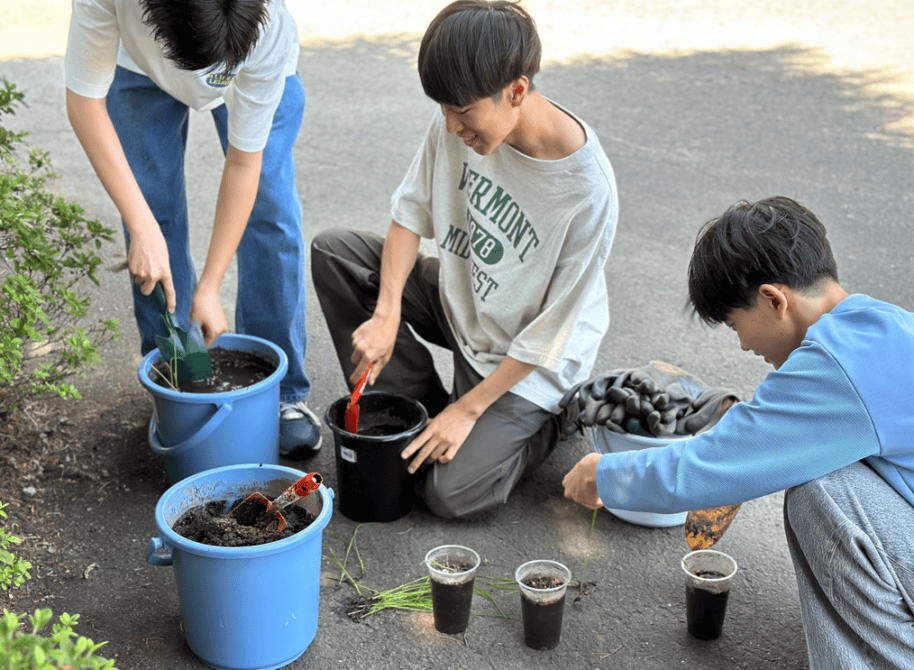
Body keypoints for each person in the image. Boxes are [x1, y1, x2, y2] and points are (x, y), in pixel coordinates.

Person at [562, 196, 914, 669]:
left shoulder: (842, 362)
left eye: (735, 323)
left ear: (773, 299)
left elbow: (716, 462)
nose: (742, 343)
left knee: (822, 492)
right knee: (837, 473)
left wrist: (606, 475)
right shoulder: (885, 329)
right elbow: (759, 440)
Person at [311, 0, 618, 519]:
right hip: (467, 303)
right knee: (334, 252)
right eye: (444, 110)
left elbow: (550, 335)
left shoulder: (587, 191)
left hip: (528, 359)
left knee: (447, 495)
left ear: (516, 91)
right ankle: (423, 408)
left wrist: (470, 408)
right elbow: (410, 214)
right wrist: (386, 314)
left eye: (462, 111)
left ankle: (549, 422)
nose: (452, 127)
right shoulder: (460, 121)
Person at [64, 0, 321, 458]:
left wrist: (210, 285)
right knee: (151, 213)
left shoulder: (268, 28)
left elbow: (245, 163)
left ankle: (281, 396)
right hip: (136, 68)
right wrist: (141, 223)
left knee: (269, 210)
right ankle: (181, 379)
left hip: (248, 55)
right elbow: (85, 101)